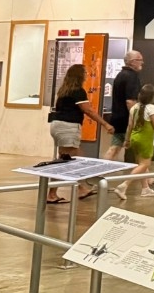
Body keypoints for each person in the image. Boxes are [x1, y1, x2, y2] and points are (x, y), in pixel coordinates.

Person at [45, 64, 115, 203]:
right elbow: (88, 110)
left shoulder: (64, 91)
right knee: (68, 160)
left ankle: (82, 188)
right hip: (68, 127)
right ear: (79, 75)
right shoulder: (78, 91)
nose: (86, 75)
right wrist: (105, 123)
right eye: (85, 73)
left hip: (58, 126)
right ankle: (53, 193)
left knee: (71, 158)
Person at [114, 84, 154, 200]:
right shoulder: (151, 108)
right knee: (145, 164)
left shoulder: (134, 108)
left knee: (141, 165)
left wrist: (127, 140)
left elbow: (130, 125)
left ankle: (145, 188)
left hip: (134, 138)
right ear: (152, 96)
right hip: (145, 140)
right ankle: (124, 185)